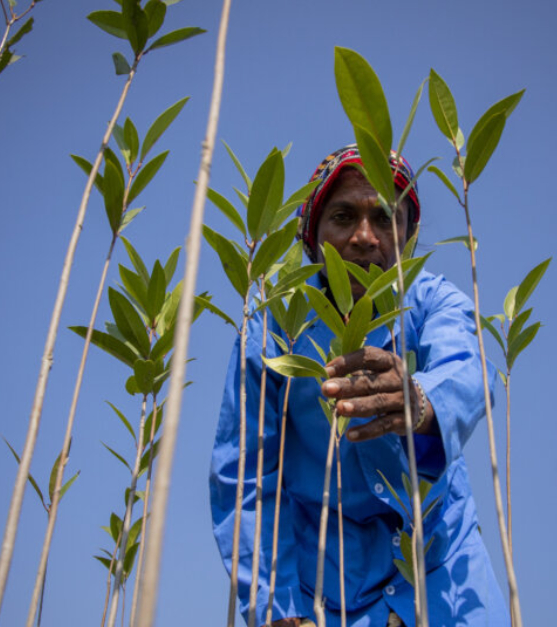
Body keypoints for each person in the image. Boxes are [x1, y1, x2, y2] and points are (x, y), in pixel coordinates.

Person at [210, 145, 508, 627]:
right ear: (312, 237)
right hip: (325, 594)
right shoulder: (273, 333)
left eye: (385, 218)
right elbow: (246, 479)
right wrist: (274, 608)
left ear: (407, 237)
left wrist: (420, 399)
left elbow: (469, 367)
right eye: (344, 216)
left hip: (446, 576)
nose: (365, 237)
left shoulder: (432, 301)